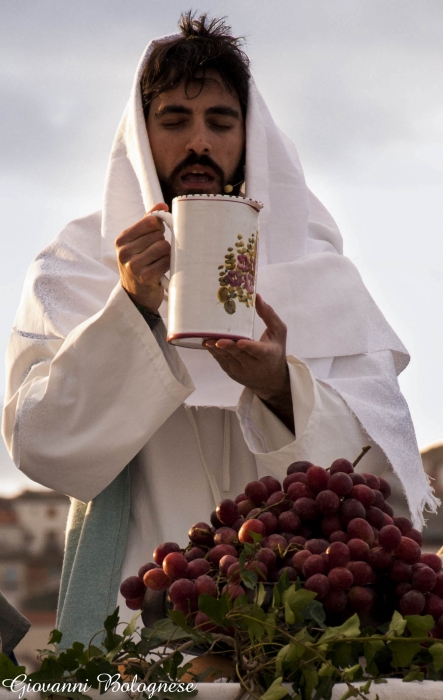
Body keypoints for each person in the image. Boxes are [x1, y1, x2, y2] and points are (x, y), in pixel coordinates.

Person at [1, 13, 438, 646]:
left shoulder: (320, 279)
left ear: (249, 137)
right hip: (137, 634)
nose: (198, 142)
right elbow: (42, 446)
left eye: (220, 122)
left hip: (303, 636)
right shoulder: (75, 269)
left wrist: (281, 391)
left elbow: (378, 483)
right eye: (174, 120)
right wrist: (131, 310)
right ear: (142, 135)